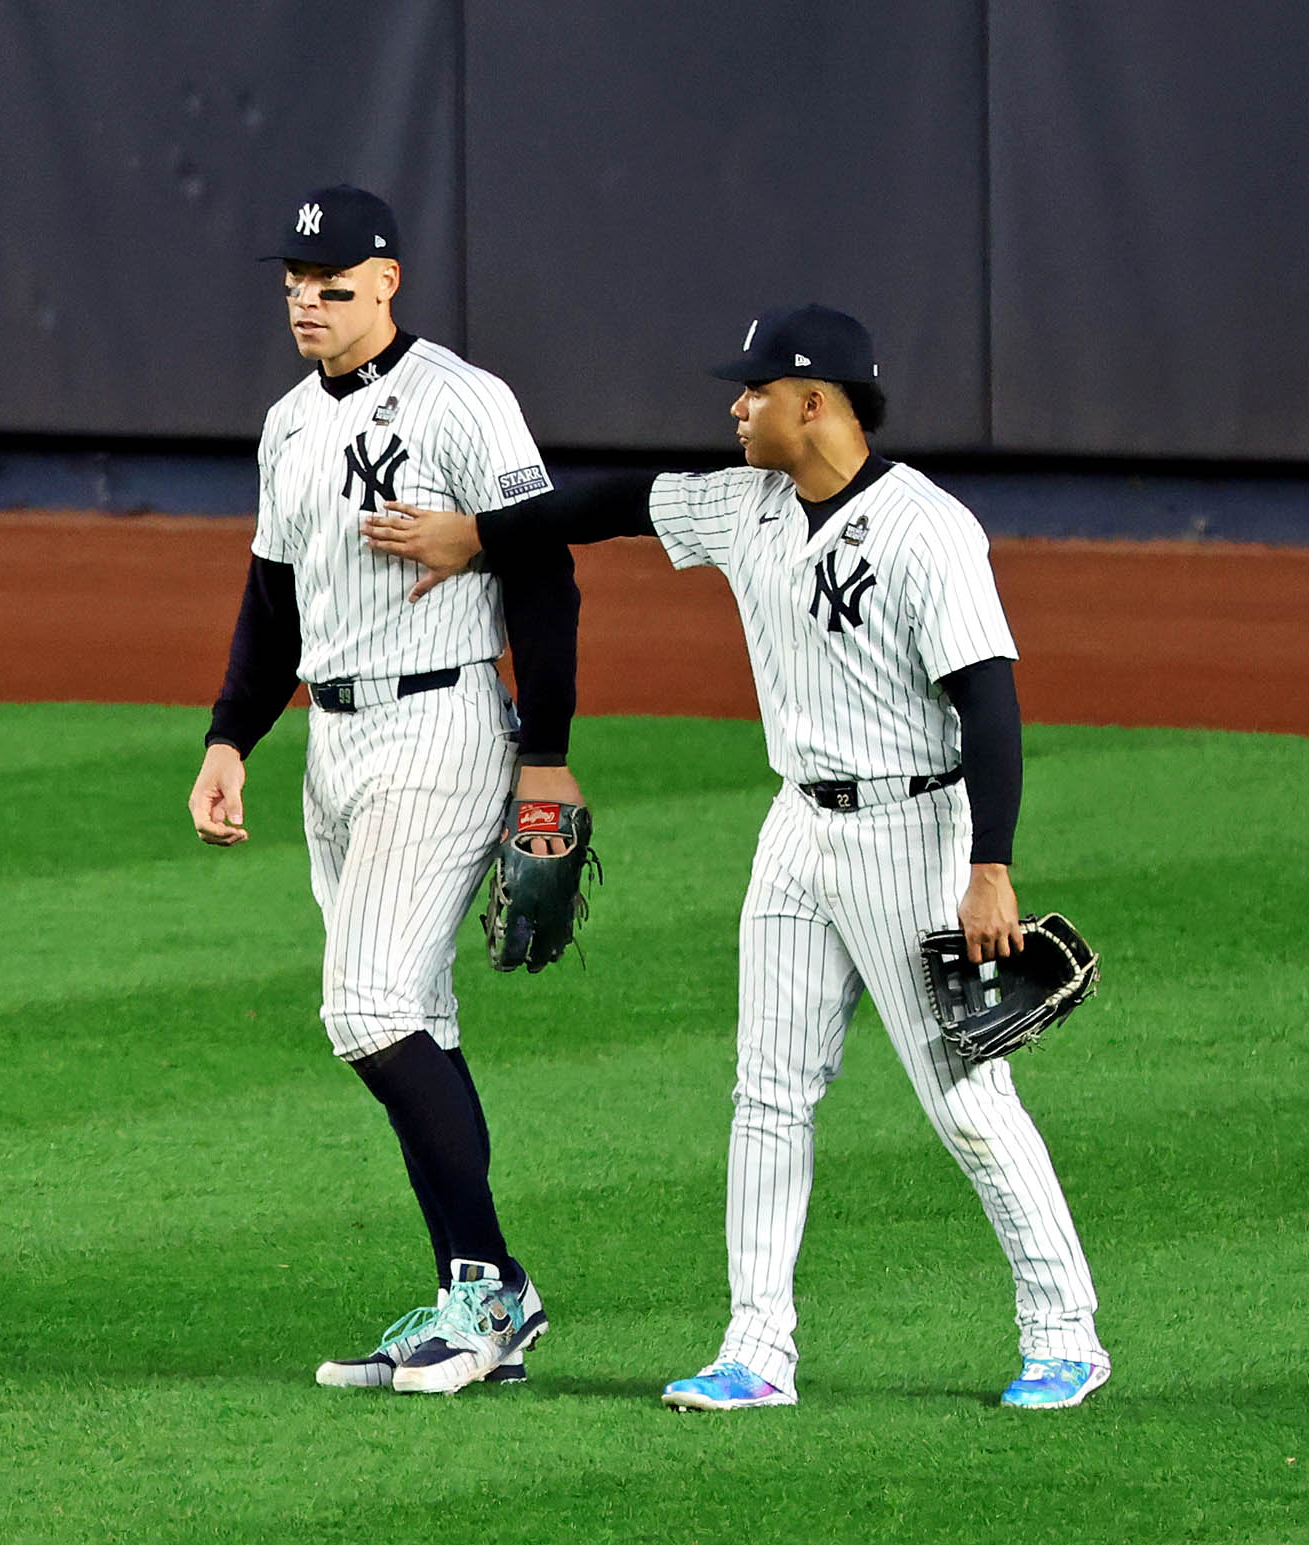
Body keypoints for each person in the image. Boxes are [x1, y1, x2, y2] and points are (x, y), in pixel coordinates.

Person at [362, 303, 1110, 1411]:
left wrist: (988, 866)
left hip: (913, 834)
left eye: (754, 390)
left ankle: (1064, 1337)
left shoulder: (926, 528)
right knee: (766, 1093)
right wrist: (479, 535)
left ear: (816, 404)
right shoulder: (743, 502)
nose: (735, 405)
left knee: (963, 1098)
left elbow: (987, 704)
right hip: (794, 832)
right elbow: (611, 504)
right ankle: (756, 1349)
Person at [188, 185, 584, 1395]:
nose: (309, 299)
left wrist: (547, 747)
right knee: (417, 1017)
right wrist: (227, 740)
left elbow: (544, 574)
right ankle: (477, 1300)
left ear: (388, 280)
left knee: (364, 1010)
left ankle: (491, 1289)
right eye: (295, 281)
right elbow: (271, 597)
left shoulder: (465, 401)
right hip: (334, 742)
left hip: (443, 721)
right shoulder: (284, 425)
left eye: (334, 282)